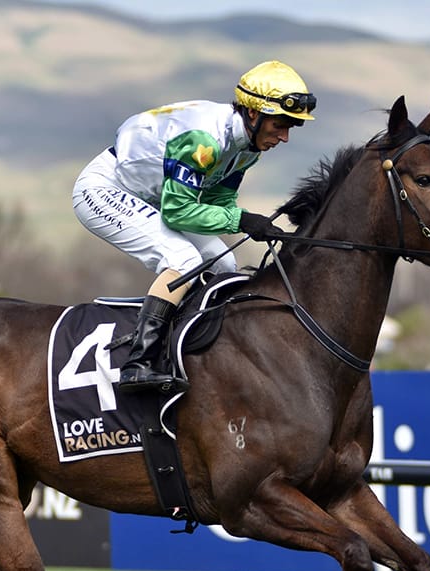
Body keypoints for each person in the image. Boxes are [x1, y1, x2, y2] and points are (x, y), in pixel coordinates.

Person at [72, 60, 317, 393]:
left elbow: (217, 205)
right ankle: (137, 362)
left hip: (156, 199)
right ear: (254, 114)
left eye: (292, 127)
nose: (285, 136)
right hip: (105, 190)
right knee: (182, 260)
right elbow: (178, 212)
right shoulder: (205, 140)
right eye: (281, 124)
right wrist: (243, 220)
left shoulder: (247, 149)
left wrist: (257, 226)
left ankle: (196, 351)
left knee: (224, 265)